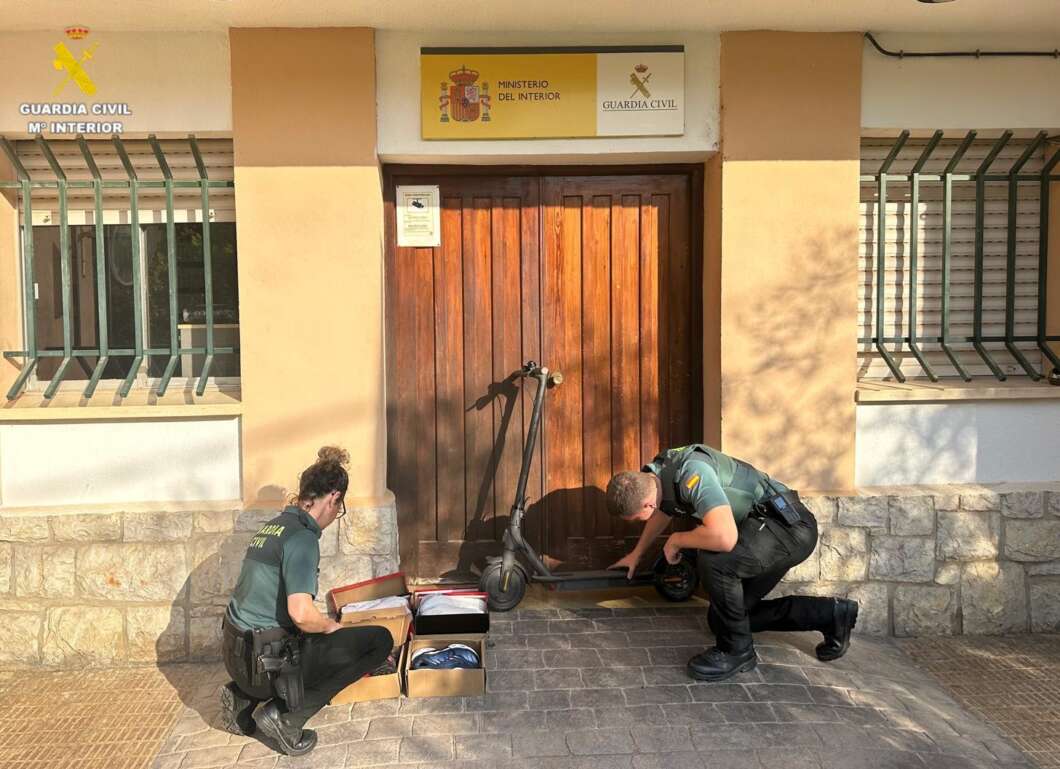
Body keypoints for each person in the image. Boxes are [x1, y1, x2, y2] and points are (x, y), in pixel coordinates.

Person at [607, 444, 858, 682]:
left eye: (637, 518)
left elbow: (725, 538)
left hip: (787, 529)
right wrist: (637, 553)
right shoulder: (659, 474)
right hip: (765, 530)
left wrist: (676, 540)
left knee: (715, 560)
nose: (640, 521)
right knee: (724, 621)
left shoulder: (693, 473)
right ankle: (832, 614)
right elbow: (663, 511)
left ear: (647, 503)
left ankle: (736, 652)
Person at [220, 447, 392, 756]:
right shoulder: (302, 538)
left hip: (237, 658)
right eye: (339, 508)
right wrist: (331, 627)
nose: (334, 516)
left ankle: (241, 700)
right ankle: (286, 719)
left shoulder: (273, 527)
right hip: (265, 666)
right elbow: (300, 614)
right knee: (378, 640)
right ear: (333, 498)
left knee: (304, 635)